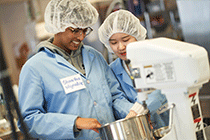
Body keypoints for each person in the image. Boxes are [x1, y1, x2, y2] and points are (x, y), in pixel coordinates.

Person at [17, 1, 146, 139]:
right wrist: (74, 123)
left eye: (85, 30)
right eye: (75, 30)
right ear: (58, 25)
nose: (81, 37)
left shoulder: (95, 57)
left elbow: (115, 96)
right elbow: (27, 120)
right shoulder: (35, 68)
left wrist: (135, 113)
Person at [98, 9, 169, 130]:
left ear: (137, 36)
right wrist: (133, 114)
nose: (120, 47)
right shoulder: (113, 69)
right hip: (140, 128)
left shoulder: (156, 57)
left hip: (168, 121)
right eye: (114, 42)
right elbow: (116, 98)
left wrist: (140, 109)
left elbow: (164, 88)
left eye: (126, 40)